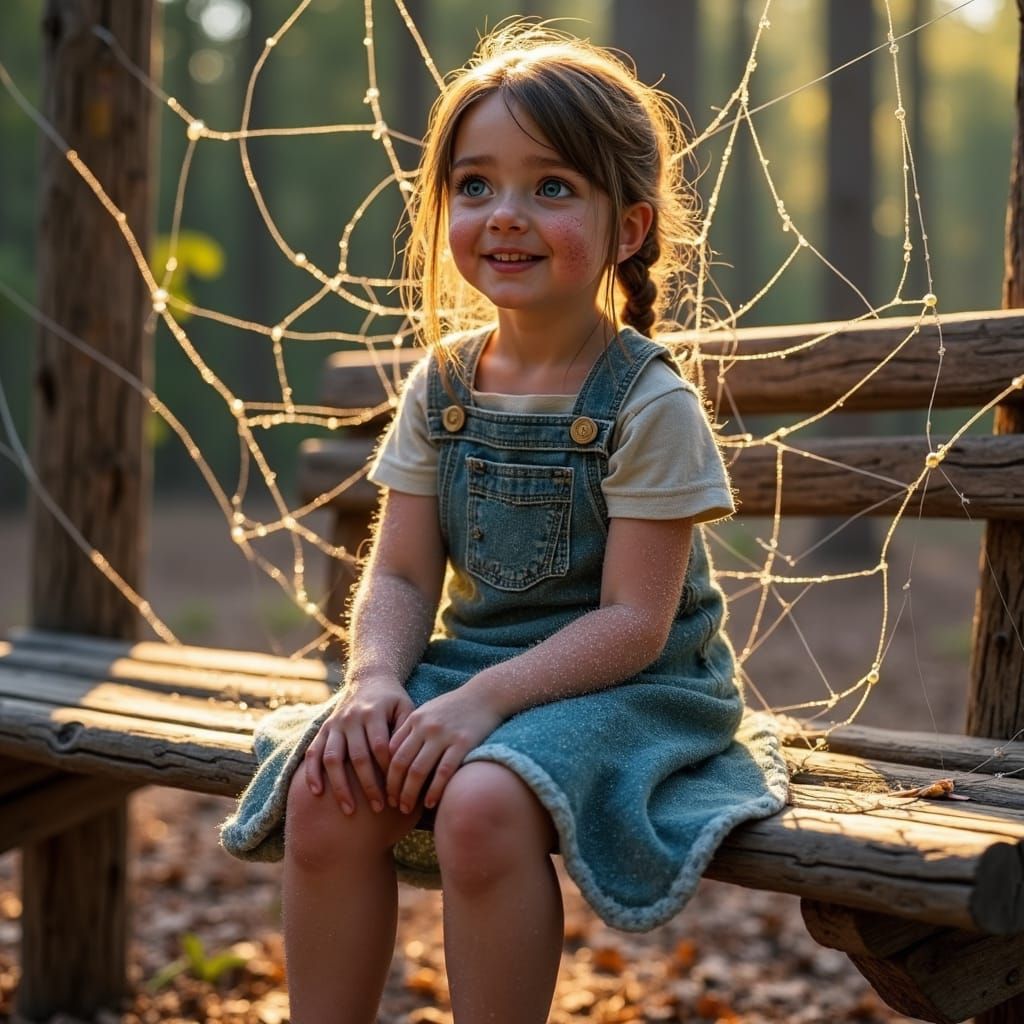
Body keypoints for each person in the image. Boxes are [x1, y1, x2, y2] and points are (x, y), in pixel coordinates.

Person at [221, 22, 788, 1024]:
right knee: (330, 783)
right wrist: (377, 680)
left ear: (629, 227)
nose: (505, 216)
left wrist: (482, 705)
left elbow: (633, 624)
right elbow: (397, 576)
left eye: (552, 187)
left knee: (482, 805)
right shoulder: (440, 384)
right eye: (475, 185)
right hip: (473, 666)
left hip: (634, 684)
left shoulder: (648, 402)